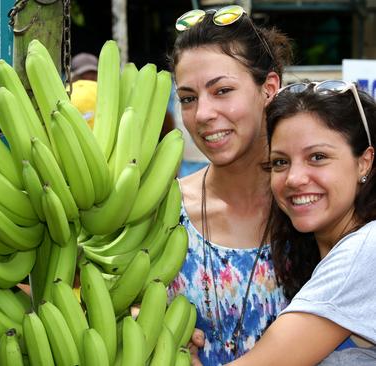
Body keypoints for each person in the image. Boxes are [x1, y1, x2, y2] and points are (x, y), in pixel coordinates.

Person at [166, 5, 293, 365]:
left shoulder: (312, 207)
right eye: (188, 98)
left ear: (268, 88)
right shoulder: (163, 209)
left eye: (221, 90)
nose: (203, 114)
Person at [227, 81, 376, 365]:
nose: (294, 178)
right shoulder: (316, 257)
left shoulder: (367, 248)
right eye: (280, 162)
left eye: (317, 157)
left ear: (364, 162)